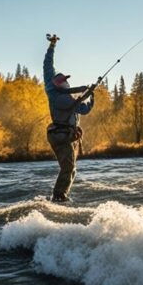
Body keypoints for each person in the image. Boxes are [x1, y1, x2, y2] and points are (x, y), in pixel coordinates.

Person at [43, 34, 99, 202]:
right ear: (59, 85)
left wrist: (52, 46)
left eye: (65, 81)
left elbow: (47, 65)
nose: (65, 82)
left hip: (61, 136)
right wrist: (90, 97)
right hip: (62, 137)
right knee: (68, 168)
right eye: (63, 82)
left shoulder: (52, 87)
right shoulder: (64, 98)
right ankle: (58, 197)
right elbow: (84, 109)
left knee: (71, 169)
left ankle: (60, 196)